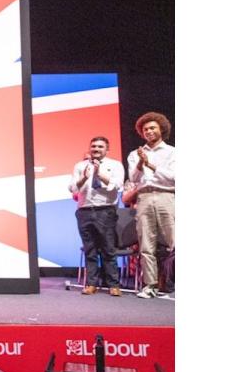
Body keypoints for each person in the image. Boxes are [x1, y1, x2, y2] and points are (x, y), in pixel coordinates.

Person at [68, 136, 125, 297]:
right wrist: (85, 177)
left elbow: (117, 185)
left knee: (108, 248)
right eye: (93, 146)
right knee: (90, 249)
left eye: (100, 147)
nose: (96, 149)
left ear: (107, 149)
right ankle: (91, 283)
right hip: (84, 210)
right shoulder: (80, 166)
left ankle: (113, 284)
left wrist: (99, 173)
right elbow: (72, 188)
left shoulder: (115, 165)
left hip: (105, 210)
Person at [127, 112, 175, 299]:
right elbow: (133, 178)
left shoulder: (172, 152)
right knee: (146, 243)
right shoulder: (135, 154)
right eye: (145, 129)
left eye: (152, 127)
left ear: (161, 129)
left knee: (174, 242)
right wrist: (141, 162)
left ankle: (174, 283)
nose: (149, 131)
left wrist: (152, 165)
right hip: (144, 197)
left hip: (166, 196)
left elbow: (174, 177)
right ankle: (150, 285)